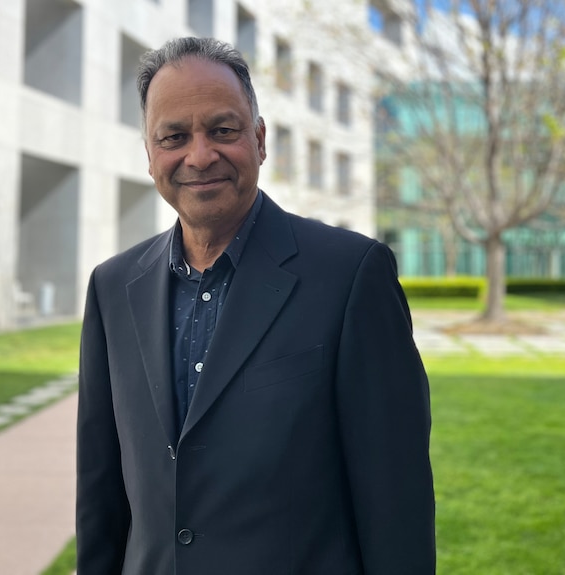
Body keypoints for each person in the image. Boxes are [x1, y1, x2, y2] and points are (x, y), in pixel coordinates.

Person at [76, 36, 435, 575]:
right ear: (150, 156)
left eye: (222, 130)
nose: (199, 156)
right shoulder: (112, 287)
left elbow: (395, 501)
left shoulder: (351, 276)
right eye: (174, 136)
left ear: (260, 139)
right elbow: (101, 492)